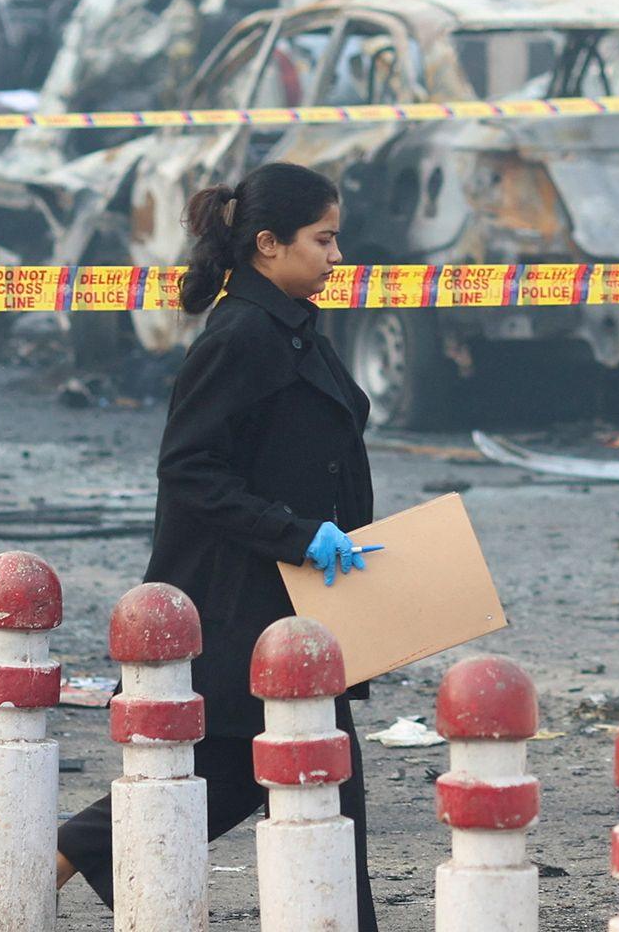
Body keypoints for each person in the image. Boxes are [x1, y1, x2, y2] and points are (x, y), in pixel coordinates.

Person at [56, 162, 380, 929]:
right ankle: (38, 869)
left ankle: (47, 863)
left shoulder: (289, 327)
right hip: (245, 603)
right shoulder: (240, 335)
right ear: (269, 244)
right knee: (296, 781)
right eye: (324, 239)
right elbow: (190, 468)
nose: (336, 257)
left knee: (255, 777)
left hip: (293, 601)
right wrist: (300, 534)